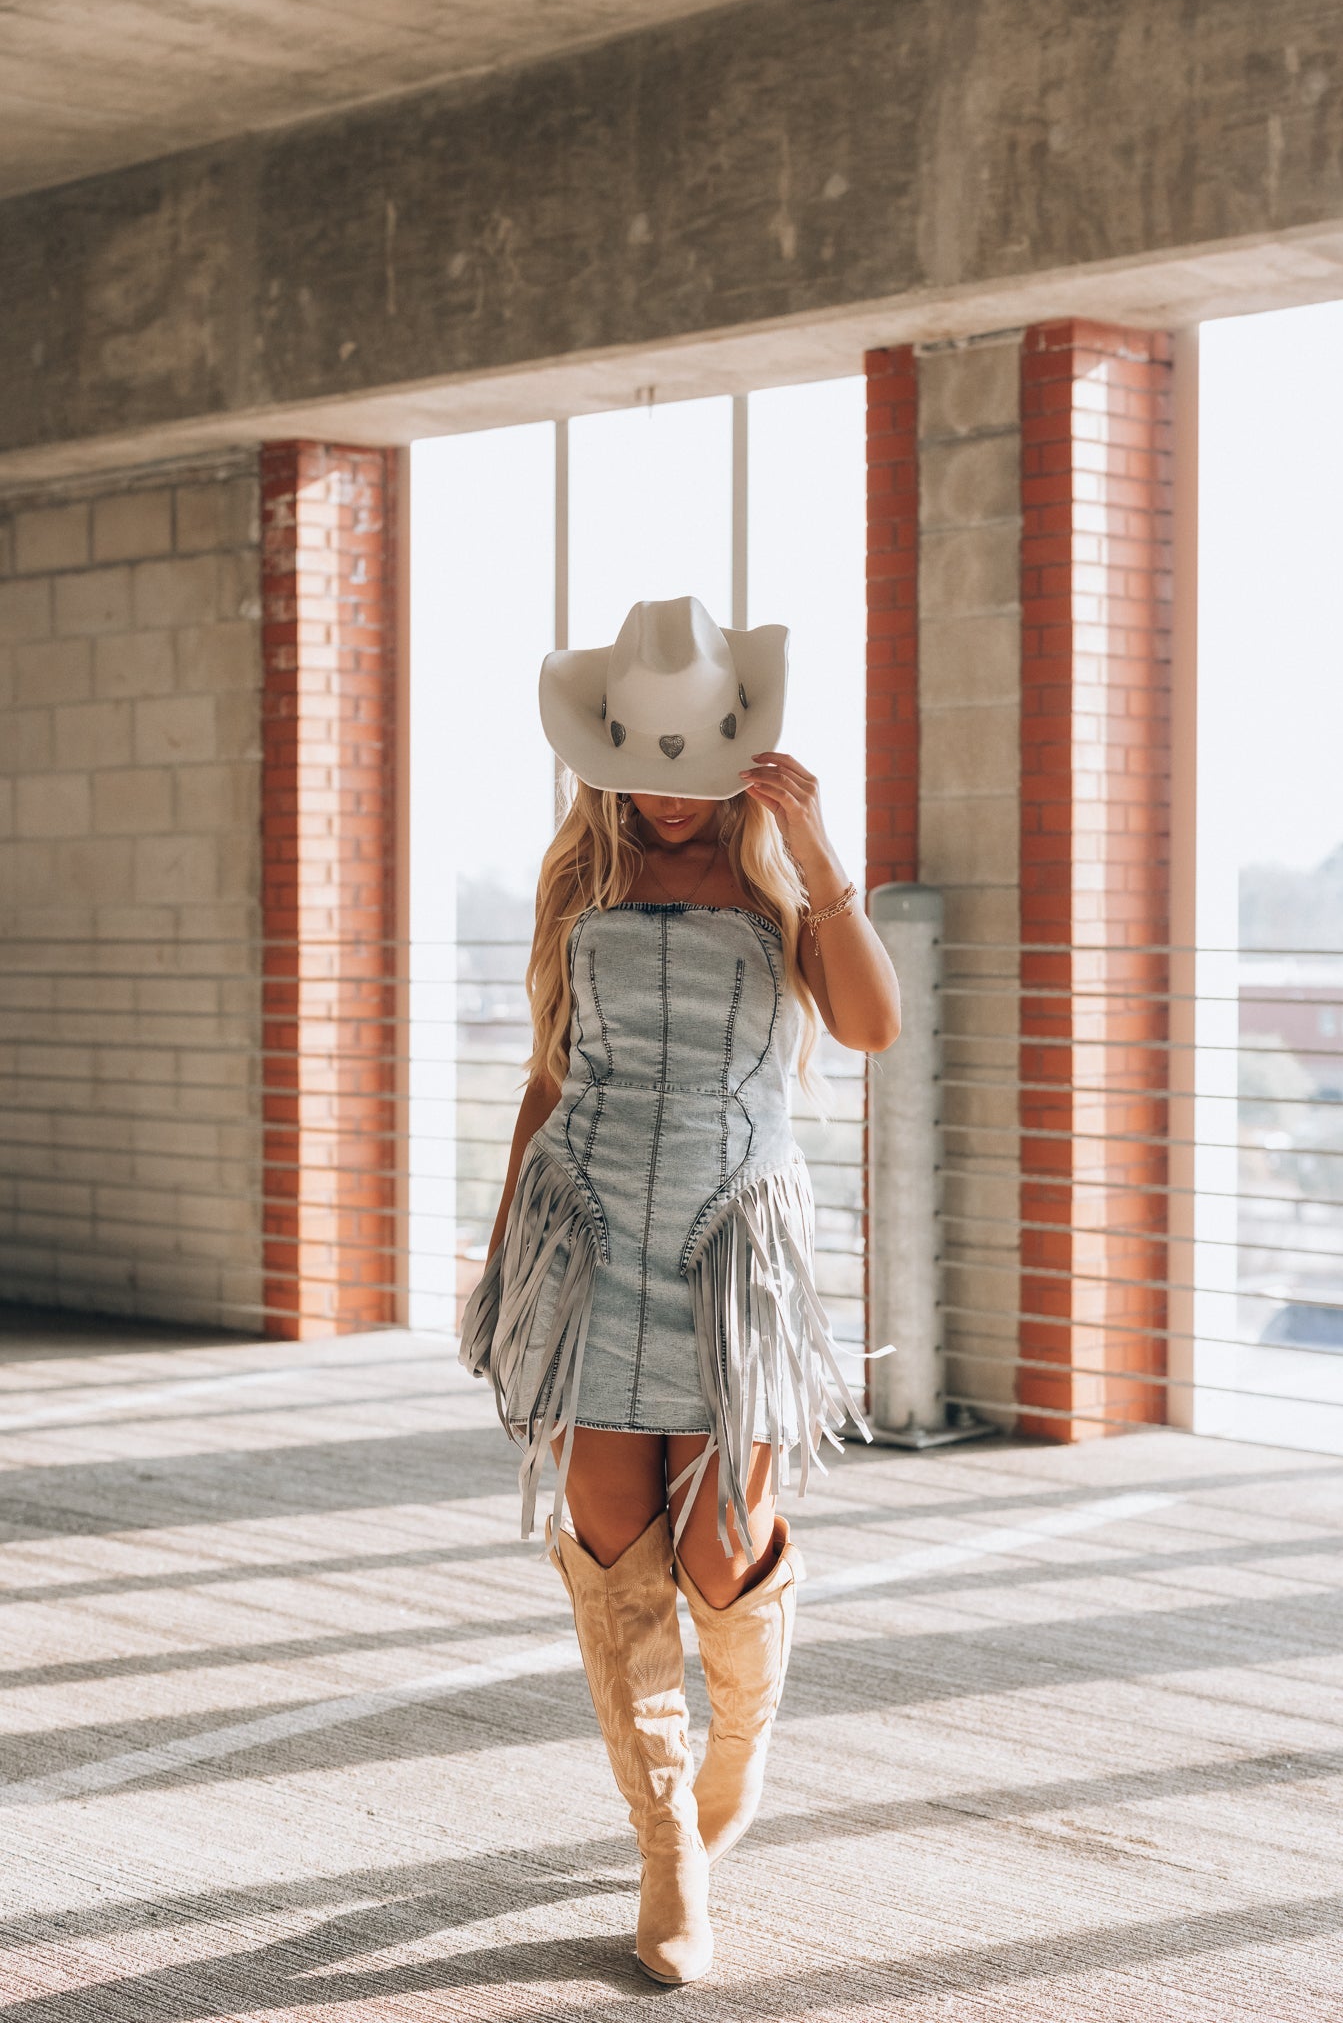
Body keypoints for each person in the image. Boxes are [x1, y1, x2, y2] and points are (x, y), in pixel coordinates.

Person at [461, 595, 900, 1985]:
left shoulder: (779, 884)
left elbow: (872, 1025)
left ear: (739, 747)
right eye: (638, 762)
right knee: (608, 1546)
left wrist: (820, 853)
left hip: (727, 1249)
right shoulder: (573, 882)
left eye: (690, 761)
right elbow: (550, 1071)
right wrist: (499, 1251)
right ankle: (666, 1856)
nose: (662, 793)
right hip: (585, 1232)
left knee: (719, 1545)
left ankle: (740, 1752)